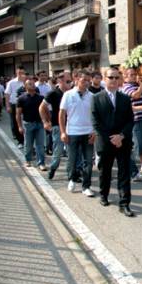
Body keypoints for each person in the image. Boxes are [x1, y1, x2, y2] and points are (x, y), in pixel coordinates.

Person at [92, 67, 135, 217]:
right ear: (105, 79)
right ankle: (104, 194)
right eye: (111, 77)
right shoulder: (96, 98)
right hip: (105, 141)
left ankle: (124, 203)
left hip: (123, 142)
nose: (114, 81)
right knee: (106, 171)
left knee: (124, 173)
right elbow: (96, 123)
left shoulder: (125, 98)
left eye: (117, 78)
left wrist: (121, 136)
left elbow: (130, 120)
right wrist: (112, 138)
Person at [59, 69, 95, 197]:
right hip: (72, 133)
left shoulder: (91, 96)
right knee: (72, 160)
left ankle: (86, 186)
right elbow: (62, 114)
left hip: (88, 133)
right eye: (83, 80)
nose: (86, 83)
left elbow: (95, 116)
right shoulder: (68, 95)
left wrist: (94, 132)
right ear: (76, 80)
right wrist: (63, 132)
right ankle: (72, 179)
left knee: (88, 162)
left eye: (88, 81)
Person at [40, 71, 72, 180]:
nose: (69, 83)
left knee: (70, 151)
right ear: (60, 81)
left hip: (71, 126)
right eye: (67, 81)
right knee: (58, 151)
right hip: (57, 126)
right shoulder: (53, 93)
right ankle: (53, 168)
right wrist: (45, 121)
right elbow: (42, 107)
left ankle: (71, 173)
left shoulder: (72, 93)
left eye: (70, 81)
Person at [122, 67, 142, 179]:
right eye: (132, 75)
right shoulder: (126, 87)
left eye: (135, 74)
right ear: (126, 76)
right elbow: (136, 95)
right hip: (136, 119)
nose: (134, 76)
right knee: (138, 142)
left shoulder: (140, 86)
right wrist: (140, 86)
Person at [16, 78, 46, 170]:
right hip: (28, 124)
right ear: (25, 86)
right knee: (28, 144)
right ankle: (28, 160)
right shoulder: (21, 98)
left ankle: (41, 163)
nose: (32, 85)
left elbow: (46, 110)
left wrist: (47, 121)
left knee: (40, 145)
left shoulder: (41, 98)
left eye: (33, 83)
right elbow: (18, 114)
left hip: (40, 124)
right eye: (29, 84)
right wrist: (20, 126)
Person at [5, 66, 26, 147]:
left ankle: (25, 139)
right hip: (14, 104)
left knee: (25, 122)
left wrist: (24, 82)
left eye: (22, 73)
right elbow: (7, 94)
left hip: (25, 104)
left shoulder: (26, 82)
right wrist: (8, 106)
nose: (21, 75)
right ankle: (19, 140)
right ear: (17, 73)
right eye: (19, 73)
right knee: (15, 122)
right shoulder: (11, 82)